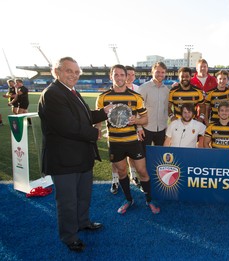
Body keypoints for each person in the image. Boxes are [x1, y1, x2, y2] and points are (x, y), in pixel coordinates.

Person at [38, 57, 112, 252]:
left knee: (83, 196)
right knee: (67, 201)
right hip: (64, 160)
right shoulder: (52, 93)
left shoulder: (71, 91)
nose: (74, 75)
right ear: (57, 72)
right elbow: (67, 126)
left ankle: (83, 222)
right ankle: (69, 237)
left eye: (77, 72)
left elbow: (85, 117)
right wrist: (95, 133)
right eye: (69, 71)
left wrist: (104, 112)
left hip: (81, 156)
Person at [96, 64, 160, 215]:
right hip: (115, 142)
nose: (119, 78)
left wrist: (135, 121)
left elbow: (145, 119)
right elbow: (98, 117)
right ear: (111, 76)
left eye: (121, 75)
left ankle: (149, 200)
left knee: (142, 171)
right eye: (115, 75)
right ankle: (128, 199)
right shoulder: (103, 97)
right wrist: (98, 129)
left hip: (133, 141)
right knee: (122, 172)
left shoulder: (135, 97)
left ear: (126, 77)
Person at [139, 62, 169, 146]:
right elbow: (138, 109)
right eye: (158, 72)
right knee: (144, 155)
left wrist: (166, 126)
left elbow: (165, 109)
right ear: (152, 72)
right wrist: (139, 127)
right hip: (146, 128)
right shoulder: (144, 88)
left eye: (163, 72)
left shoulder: (166, 90)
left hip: (161, 129)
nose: (160, 74)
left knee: (159, 156)